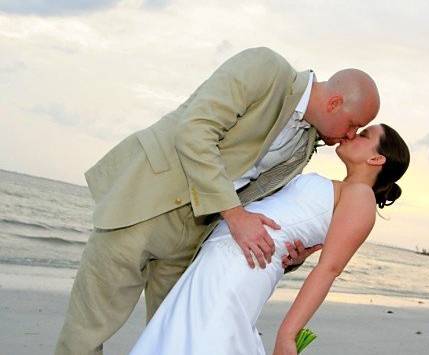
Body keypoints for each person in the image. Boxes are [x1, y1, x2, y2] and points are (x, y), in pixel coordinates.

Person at [55, 47, 381, 355]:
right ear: (334, 102)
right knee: (87, 331)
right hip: (147, 203)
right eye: (353, 125)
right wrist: (235, 216)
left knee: (174, 340)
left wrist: (292, 254)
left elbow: (264, 204)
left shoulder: (304, 145)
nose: (351, 135)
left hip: (197, 239)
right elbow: (194, 130)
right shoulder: (266, 69)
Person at [128, 123, 410, 355]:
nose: (352, 133)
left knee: (204, 339)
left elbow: (329, 269)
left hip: (240, 266)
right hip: (221, 258)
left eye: (364, 135)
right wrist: (296, 257)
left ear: (377, 159)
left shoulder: (360, 196)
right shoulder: (341, 189)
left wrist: (288, 333)